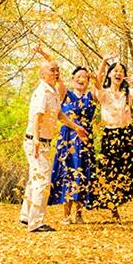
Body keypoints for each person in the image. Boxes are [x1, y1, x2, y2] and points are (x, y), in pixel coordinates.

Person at [20, 59, 88, 232]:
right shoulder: (42, 92)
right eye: (52, 70)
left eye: (57, 70)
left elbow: (60, 115)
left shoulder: (53, 92)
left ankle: (26, 216)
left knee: (34, 179)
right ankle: (36, 223)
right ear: (42, 74)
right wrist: (36, 139)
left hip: (44, 142)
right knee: (42, 181)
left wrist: (76, 127)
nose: (56, 73)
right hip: (35, 141)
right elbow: (37, 115)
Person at [93, 55, 133, 222]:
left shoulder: (127, 94)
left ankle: (123, 198)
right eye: (115, 71)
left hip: (126, 135)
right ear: (110, 74)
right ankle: (112, 206)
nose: (118, 73)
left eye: (121, 71)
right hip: (110, 135)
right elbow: (97, 81)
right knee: (110, 172)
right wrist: (103, 63)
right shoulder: (104, 94)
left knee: (129, 170)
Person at [48, 66, 97, 224]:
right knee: (67, 172)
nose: (81, 79)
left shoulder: (91, 96)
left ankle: (79, 213)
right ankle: (66, 215)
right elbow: (58, 80)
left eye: (85, 77)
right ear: (72, 78)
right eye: (78, 76)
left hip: (84, 139)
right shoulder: (65, 94)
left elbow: (100, 86)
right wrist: (48, 59)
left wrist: (100, 67)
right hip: (67, 139)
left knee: (83, 173)